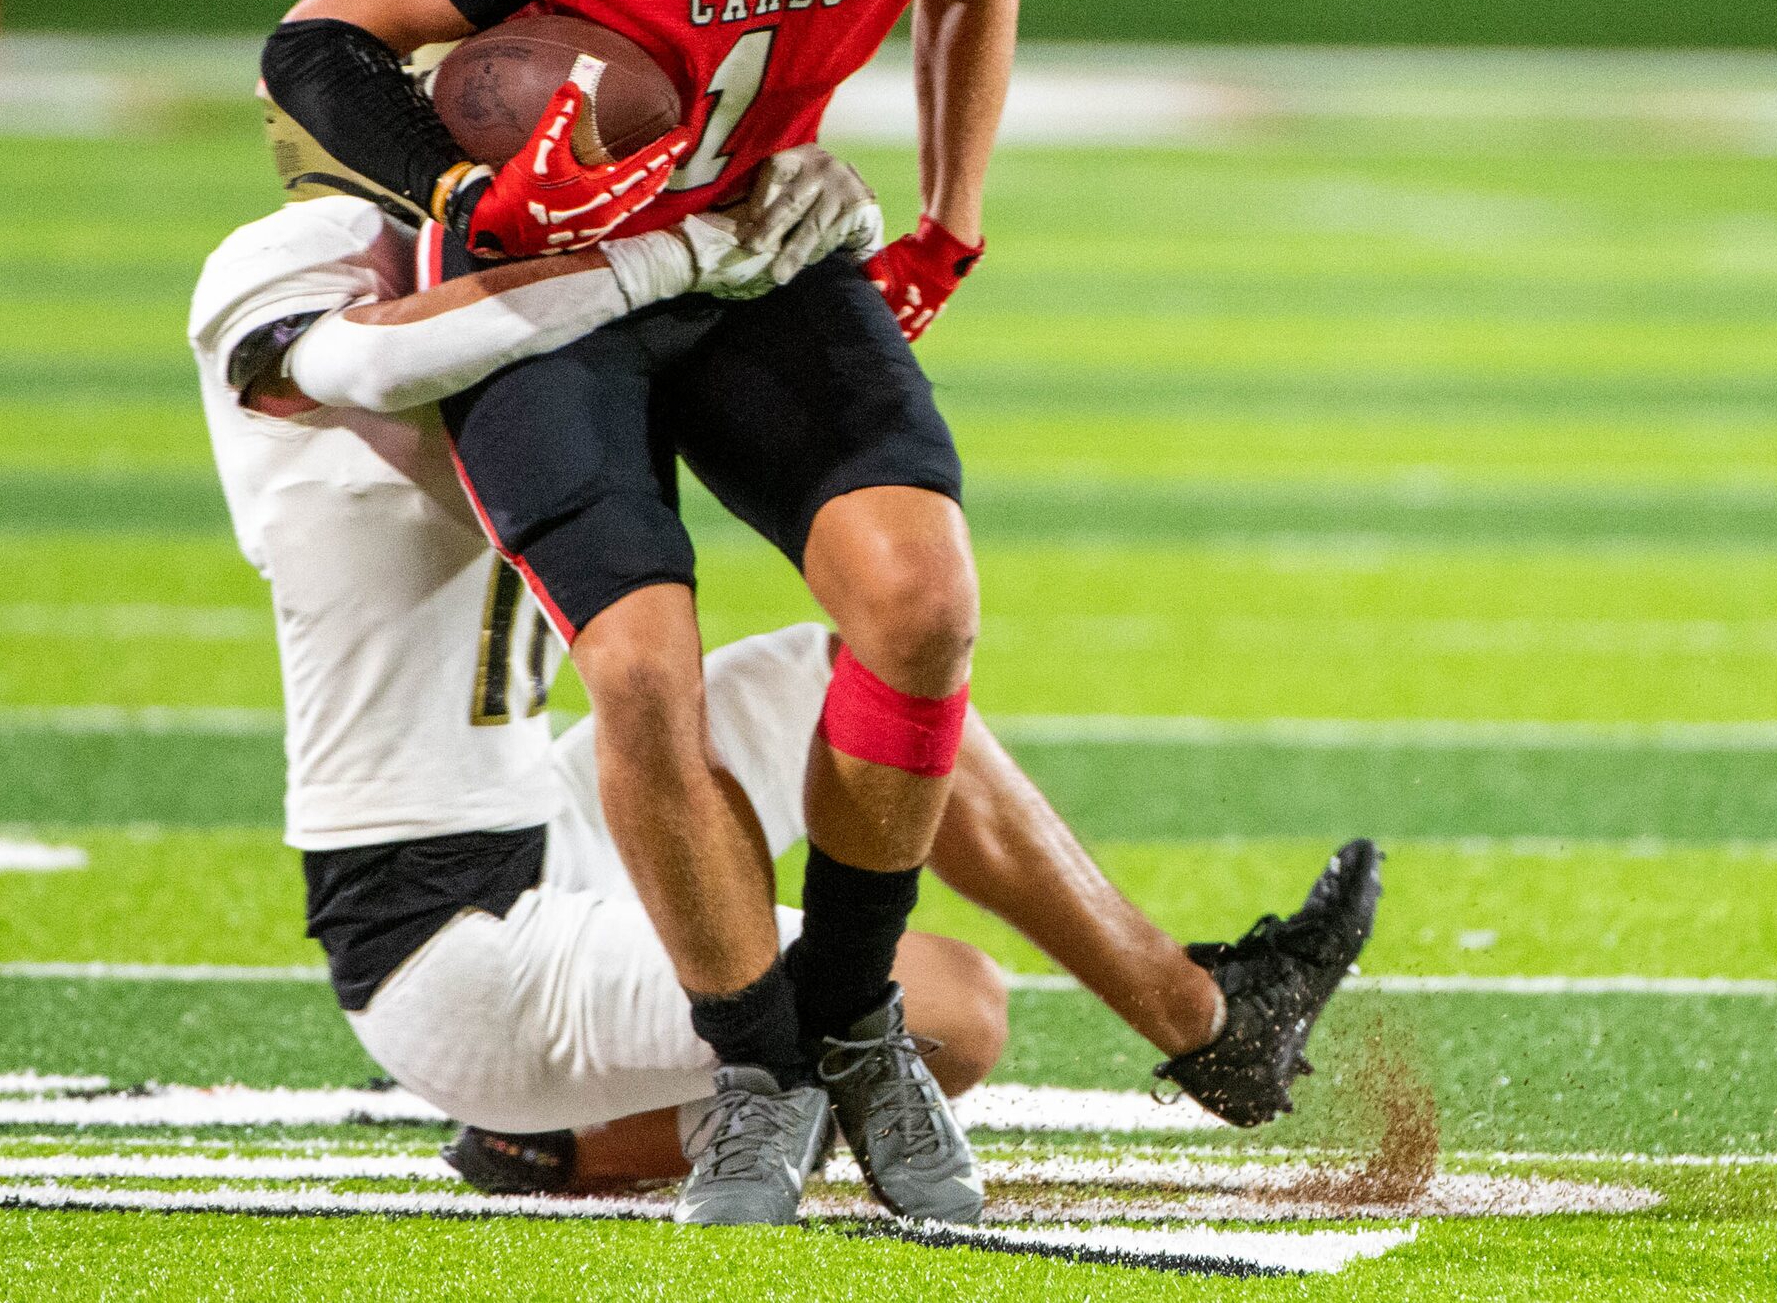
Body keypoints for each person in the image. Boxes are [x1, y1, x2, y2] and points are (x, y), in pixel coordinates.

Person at [259, 0, 1042, 1224]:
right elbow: (319, 43)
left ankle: (849, 1021)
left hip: (754, 241)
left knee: (920, 600)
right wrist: (469, 187)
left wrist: (950, 213)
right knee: (640, 667)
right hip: (566, 274)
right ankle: (757, 1062)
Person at [187, 189, 1387, 1203]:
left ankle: (1214, 1020)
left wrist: (814, 213)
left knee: (858, 670)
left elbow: (690, 351)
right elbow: (376, 358)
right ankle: (555, 1144)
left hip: (547, 813)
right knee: (957, 1013)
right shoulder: (300, 253)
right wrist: (675, 250)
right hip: (438, 933)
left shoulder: (520, 248)